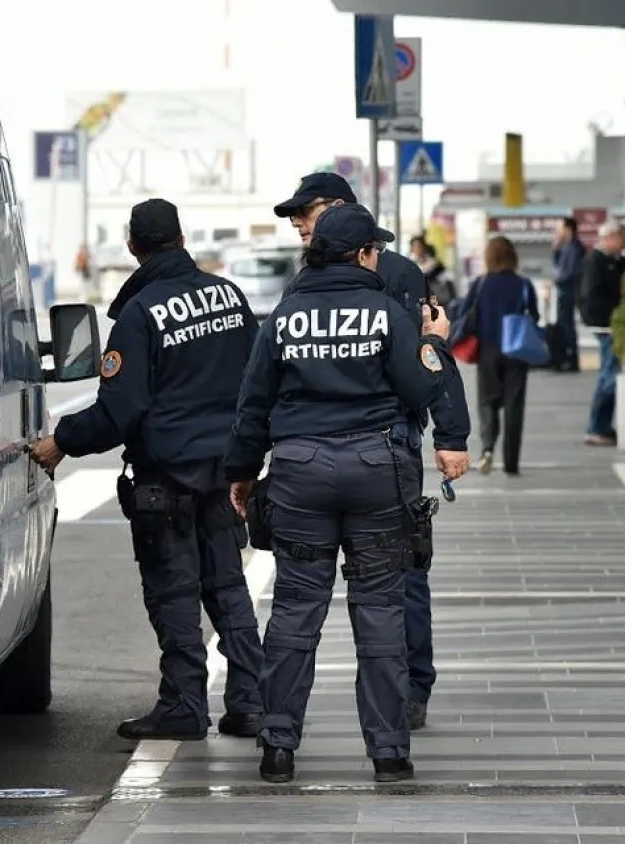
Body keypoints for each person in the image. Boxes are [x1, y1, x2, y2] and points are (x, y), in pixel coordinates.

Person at [224, 203, 454, 784]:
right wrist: (437, 343)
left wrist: (244, 473)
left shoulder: (285, 315)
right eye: (375, 250)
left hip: (300, 470)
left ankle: (278, 747)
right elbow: (422, 385)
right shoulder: (383, 313)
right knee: (379, 611)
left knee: (296, 610)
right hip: (378, 468)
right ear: (362, 255)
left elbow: (252, 403)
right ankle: (389, 754)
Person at [29, 199, 265, 742]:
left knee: (175, 592)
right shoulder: (228, 296)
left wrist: (61, 442)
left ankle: (185, 706)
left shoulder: (140, 314)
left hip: (168, 479)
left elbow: (120, 411)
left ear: (134, 248)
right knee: (228, 587)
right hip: (225, 470)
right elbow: (257, 384)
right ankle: (251, 701)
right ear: (181, 239)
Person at [272, 172, 471, 733]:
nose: (296, 225)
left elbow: (433, 354)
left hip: (390, 443)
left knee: (399, 578)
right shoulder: (304, 282)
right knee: (327, 591)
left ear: (336, 209)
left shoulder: (398, 275)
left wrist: (450, 436)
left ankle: (412, 688)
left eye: (303, 213)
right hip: (333, 454)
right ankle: (373, 728)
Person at [462, 236, 541, 476]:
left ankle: (487, 449)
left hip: (488, 350)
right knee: (514, 405)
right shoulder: (524, 284)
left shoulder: (481, 283)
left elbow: (467, 315)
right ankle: (511, 462)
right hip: (516, 350)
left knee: (487, 401)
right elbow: (535, 316)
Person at [578, 220, 625, 447]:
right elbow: (593, 296)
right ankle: (596, 427)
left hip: (607, 324)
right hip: (605, 325)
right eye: (623, 237)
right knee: (609, 377)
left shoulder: (610, 261)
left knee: (609, 375)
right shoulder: (596, 261)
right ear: (610, 237)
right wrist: (613, 317)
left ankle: (602, 427)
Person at [550, 217, 586, 372]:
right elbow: (558, 266)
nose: (557, 232)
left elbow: (570, 272)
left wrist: (557, 280)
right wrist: (556, 250)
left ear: (568, 229)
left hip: (569, 290)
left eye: (560, 228)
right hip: (564, 290)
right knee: (564, 324)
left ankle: (570, 359)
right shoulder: (566, 247)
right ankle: (565, 357)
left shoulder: (575, 248)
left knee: (567, 325)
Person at [409, 234, 456, 306]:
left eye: (420, 246)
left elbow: (447, 279)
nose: (418, 249)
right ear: (412, 248)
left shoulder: (434, 264)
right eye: (415, 247)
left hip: (435, 298)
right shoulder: (408, 264)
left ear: (424, 247)